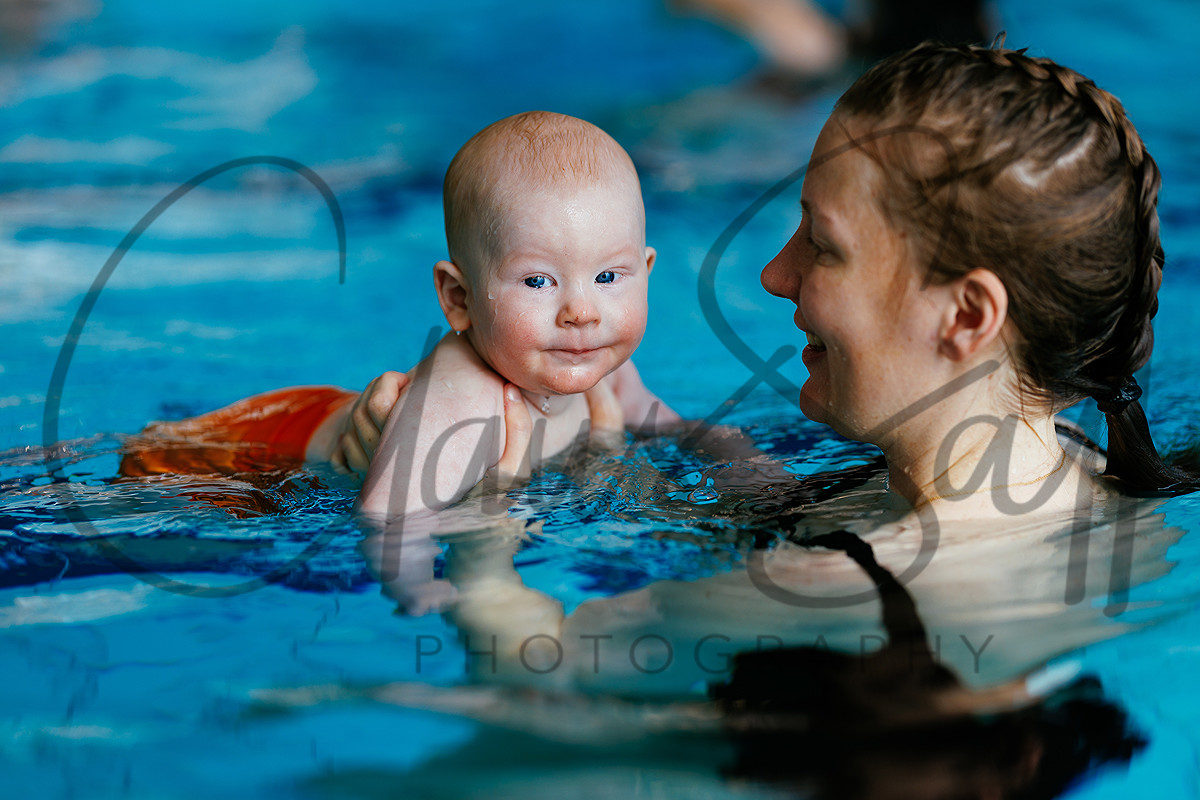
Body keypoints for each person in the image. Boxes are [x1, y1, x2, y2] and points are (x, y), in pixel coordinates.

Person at [120, 111, 679, 513]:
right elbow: (388, 526)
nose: (581, 311)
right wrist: (488, 518)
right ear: (458, 299)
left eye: (609, 277)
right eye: (538, 281)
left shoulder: (593, 360)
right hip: (220, 459)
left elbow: (678, 433)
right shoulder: (462, 403)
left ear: (647, 272)